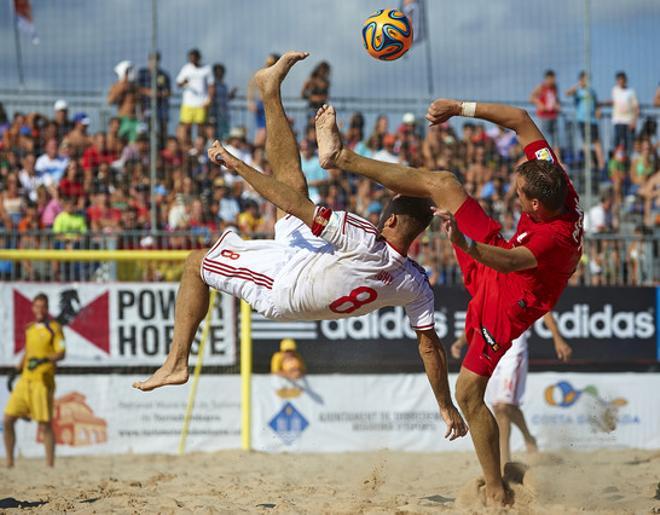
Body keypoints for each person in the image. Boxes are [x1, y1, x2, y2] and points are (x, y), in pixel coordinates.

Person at [133, 52, 467, 443]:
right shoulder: (416, 283)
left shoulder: (363, 238)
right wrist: (445, 405)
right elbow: (430, 348)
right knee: (293, 183)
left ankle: (176, 362)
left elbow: (294, 207)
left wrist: (236, 164)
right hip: (313, 263)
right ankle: (270, 89)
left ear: (390, 220)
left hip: (283, 288)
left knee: (195, 263)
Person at [315, 97, 583, 505]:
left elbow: (510, 264)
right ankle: (338, 156)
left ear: (534, 206)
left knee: (468, 393)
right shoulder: (553, 178)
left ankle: (495, 488)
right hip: (498, 252)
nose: (513, 195)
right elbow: (520, 119)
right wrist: (458, 108)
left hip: (512, 298)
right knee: (443, 183)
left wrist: (463, 243)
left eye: (518, 194)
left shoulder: (555, 239)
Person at [451, 312, 572, 465]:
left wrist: (557, 338)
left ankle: (509, 457)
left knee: (503, 406)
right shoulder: (487, 289)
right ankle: (520, 446)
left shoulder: (518, 288)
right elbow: (477, 316)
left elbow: (545, 309)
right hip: (492, 349)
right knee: (499, 408)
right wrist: (461, 342)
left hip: (514, 351)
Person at [4, 293, 66, 468]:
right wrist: (16, 370)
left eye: (43, 306)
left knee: (45, 424)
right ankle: (9, 461)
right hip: (25, 380)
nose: (39, 309)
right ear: (33, 307)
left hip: (42, 381)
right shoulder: (30, 328)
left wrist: (45, 359)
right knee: (8, 419)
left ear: (47, 308)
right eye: (36, 306)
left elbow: (61, 353)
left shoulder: (55, 328)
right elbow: (27, 352)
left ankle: (50, 465)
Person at [565, 71, 605, 171]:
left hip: (593, 120)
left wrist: (598, 111)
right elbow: (567, 93)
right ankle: (590, 163)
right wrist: (578, 84)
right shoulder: (578, 91)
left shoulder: (592, 91)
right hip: (582, 120)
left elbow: (596, 104)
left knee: (597, 142)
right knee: (586, 142)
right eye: (584, 79)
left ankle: (601, 165)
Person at [176, 49, 215, 141]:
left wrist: (209, 99)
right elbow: (178, 83)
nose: (192, 60)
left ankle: (200, 145)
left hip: (201, 102)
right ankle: (189, 147)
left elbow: (211, 85)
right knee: (186, 127)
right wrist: (183, 82)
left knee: (201, 127)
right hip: (188, 103)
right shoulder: (186, 68)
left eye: (194, 57)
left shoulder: (206, 69)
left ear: (199, 58)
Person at [137, 51, 171, 149]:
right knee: (146, 128)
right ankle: (147, 148)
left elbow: (168, 91)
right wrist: (149, 92)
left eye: (156, 60)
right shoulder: (142, 73)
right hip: (146, 106)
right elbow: (137, 88)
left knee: (162, 129)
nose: (154, 62)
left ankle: (161, 148)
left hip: (161, 107)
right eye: (152, 60)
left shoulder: (164, 75)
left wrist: (159, 94)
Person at [107, 60, 140, 143]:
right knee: (120, 142)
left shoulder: (135, 88)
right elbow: (110, 101)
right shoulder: (117, 86)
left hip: (135, 119)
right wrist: (122, 86)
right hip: (123, 119)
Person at [609, 71, 639, 157]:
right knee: (617, 143)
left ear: (625, 80)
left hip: (629, 121)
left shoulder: (631, 91)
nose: (621, 81)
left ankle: (628, 163)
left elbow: (636, 108)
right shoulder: (614, 90)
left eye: (622, 79)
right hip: (618, 121)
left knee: (629, 144)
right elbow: (613, 102)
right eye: (619, 80)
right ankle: (616, 163)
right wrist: (600, 105)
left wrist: (634, 121)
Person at [529, 70, 560, 148]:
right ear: (547, 79)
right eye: (551, 79)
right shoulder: (541, 87)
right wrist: (540, 104)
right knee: (544, 138)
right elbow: (531, 97)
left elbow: (555, 100)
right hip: (544, 116)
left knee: (555, 140)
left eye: (554, 79)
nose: (553, 81)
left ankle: (557, 158)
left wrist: (557, 105)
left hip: (553, 115)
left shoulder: (555, 88)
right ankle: (545, 157)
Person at [209, 63, 237, 141]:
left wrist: (232, 94)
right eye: (218, 72)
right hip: (215, 113)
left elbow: (226, 98)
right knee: (214, 133)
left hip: (224, 114)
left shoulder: (224, 85)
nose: (220, 74)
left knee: (224, 133)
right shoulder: (212, 85)